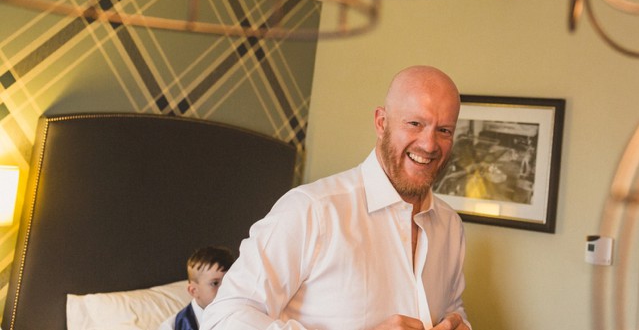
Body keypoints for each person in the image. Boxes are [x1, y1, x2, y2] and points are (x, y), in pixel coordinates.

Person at [203, 65, 470, 330]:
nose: (429, 144)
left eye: (444, 130)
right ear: (381, 122)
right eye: (415, 123)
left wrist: (460, 325)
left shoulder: (450, 226)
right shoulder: (311, 210)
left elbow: (451, 308)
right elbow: (222, 319)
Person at [158, 246, 237, 330]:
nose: (224, 288)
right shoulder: (172, 327)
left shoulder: (244, 313)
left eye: (229, 281)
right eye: (215, 283)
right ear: (193, 291)